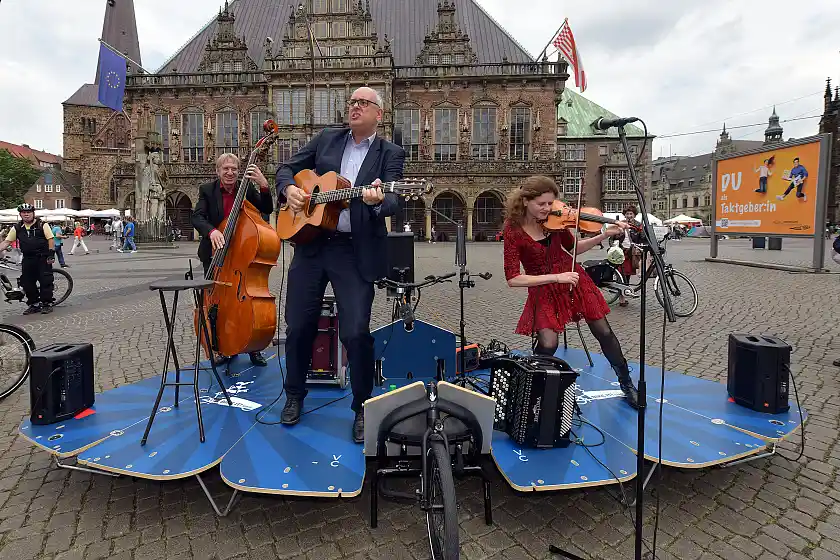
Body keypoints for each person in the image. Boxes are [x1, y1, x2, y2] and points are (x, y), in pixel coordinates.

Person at [275, 86, 405, 442]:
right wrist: (289, 190)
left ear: (379, 113)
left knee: (355, 332)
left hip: (353, 251)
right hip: (312, 246)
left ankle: (362, 405)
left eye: (363, 103)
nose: (355, 107)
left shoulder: (390, 152)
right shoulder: (326, 140)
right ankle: (294, 395)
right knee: (298, 326)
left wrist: (378, 202)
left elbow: (393, 199)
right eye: (351, 102)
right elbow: (287, 168)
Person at [502, 176, 639, 408]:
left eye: (550, 203)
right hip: (543, 287)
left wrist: (603, 235)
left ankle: (626, 383)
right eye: (541, 204)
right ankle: (533, 388)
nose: (548, 209)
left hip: (575, 280)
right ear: (525, 201)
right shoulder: (513, 230)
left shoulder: (556, 222)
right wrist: (556, 277)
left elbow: (574, 248)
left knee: (603, 331)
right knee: (548, 342)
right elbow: (513, 278)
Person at [192, 152, 275, 368]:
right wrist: (211, 232)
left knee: (249, 301)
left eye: (234, 169)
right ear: (218, 171)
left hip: (242, 252)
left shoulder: (245, 188)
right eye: (225, 169)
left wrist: (264, 185)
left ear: (239, 172)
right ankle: (220, 346)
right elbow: (197, 217)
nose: (230, 172)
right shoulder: (207, 190)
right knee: (217, 303)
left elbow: (267, 208)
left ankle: (253, 347)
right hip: (215, 254)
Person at [0, 204, 56, 315]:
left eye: (29, 212)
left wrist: (51, 254)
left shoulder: (42, 225)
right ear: (20, 214)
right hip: (28, 258)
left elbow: (50, 239)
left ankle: (46, 304)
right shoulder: (17, 228)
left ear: (33, 213)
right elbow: (7, 242)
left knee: (45, 281)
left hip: (42, 257)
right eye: (24, 212)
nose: (26, 214)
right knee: (27, 283)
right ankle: (34, 304)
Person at [614, 205, 643, 307]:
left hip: (631, 253)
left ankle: (624, 294)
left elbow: (641, 238)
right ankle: (622, 298)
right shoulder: (620, 224)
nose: (629, 215)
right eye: (627, 214)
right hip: (621, 252)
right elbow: (613, 237)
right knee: (621, 276)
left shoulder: (638, 225)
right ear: (624, 215)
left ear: (634, 215)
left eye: (631, 214)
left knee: (628, 275)